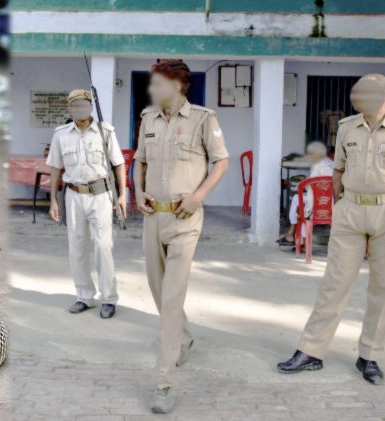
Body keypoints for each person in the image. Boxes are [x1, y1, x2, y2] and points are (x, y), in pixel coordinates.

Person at [277, 74, 385, 385]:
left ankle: (369, 355)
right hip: (351, 210)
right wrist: (340, 207)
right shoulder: (346, 128)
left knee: (383, 286)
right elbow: (338, 169)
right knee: (334, 283)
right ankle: (311, 350)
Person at [133, 60, 229, 413]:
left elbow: (221, 161)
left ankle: (164, 382)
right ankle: (184, 337)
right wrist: (137, 190)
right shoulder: (148, 119)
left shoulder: (204, 119)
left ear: (176, 85)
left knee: (171, 299)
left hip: (184, 218)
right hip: (152, 217)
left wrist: (199, 195)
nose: (152, 90)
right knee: (160, 291)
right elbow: (139, 161)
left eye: (157, 83)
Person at [46, 89, 127, 319]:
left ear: (90, 107)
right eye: (75, 105)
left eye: (83, 105)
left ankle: (108, 298)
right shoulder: (61, 134)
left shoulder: (105, 131)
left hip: (100, 195)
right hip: (73, 195)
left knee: (103, 247)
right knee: (77, 247)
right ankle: (84, 296)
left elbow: (119, 164)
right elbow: (55, 168)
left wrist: (122, 195)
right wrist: (53, 199)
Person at [277, 141, 335, 247]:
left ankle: (292, 234)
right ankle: (296, 237)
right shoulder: (331, 163)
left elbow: (311, 188)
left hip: (319, 202)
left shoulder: (317, 165)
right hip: (331, 203)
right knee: (303, 206)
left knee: (297, 200)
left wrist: (304, 188)